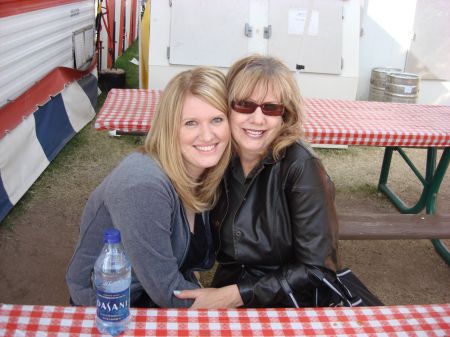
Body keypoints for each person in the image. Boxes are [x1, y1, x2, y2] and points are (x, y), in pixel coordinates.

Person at [175, 55, 339, 308]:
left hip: (290, 303)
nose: (258, 118)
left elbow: (318, 270)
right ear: (227, 107)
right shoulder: (217, 158)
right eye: (245, 105)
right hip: (229, 288)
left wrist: (237, 294)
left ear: (285, 115)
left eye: (271, 108)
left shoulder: (300, 166)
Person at [66, 67, 231, 308]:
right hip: (111, 307)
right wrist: (235, 297)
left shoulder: (204, 171)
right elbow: (167, 292)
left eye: (217, 119)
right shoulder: (142, 185)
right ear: (169, 128)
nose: (207, 135)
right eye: (191, 123)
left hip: (153, 295)